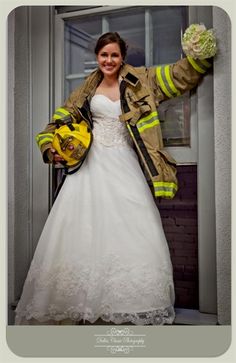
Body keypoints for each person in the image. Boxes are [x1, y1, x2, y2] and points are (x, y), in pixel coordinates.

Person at [15, 27, 216, 325]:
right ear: (98, 57)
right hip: (89, 169)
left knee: (134, 229)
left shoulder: (141, 81)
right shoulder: (85, 90)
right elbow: (55, 124)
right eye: (103, 55)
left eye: (114, 55)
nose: (109, 60)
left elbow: (177, 77)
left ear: (122, 58)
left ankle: (128, 302)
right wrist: (50, 149)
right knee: (81, 230)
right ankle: (78, 300)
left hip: (125, 164)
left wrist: (198, 55)